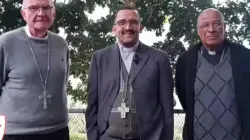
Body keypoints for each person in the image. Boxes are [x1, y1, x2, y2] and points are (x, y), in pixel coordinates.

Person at [85, 6, 174, 140]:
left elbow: (167, 106)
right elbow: (92, 104)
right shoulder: (99, 59)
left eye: (133, 22)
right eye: (122, 23)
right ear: (114, 29)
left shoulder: (159, 59)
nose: (128, 27)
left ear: (141, 27)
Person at [175, 8, 250, 140]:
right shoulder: (185, 61)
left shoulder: (244, 57)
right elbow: (184, 96)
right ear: (198, 30)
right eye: (205, 25)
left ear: (225, 27)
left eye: (216, 24)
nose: (211, 29)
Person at [0, 0, 70, 139]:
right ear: (23, 13)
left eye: (46, 7)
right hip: (16, 133)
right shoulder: (5, 43)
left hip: (58, 130)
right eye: (33, 8)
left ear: (54, 13)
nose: (41, 13)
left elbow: (63, 82)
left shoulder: (61, 44)